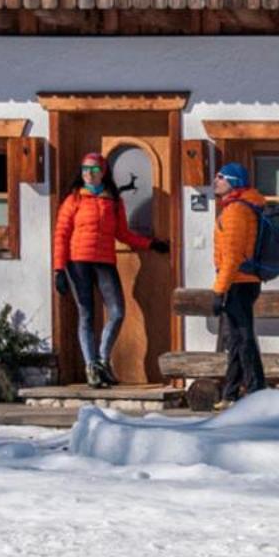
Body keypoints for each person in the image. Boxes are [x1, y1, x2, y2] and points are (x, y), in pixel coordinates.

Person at [53, 151, 169, 387]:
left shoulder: (113, 201)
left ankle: (103, 360)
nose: (89, 174)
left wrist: (150, 244)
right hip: (78, 262)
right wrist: (59, 269)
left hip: (105, 261)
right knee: (86, 314)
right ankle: (91, 367)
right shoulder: (74, 199)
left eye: (94, 170)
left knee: (117, 311)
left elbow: (122, 234)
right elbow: (61, 235)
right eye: (85, 169)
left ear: (103, 173)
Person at [211, 161, 268, 402]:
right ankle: (230, 393)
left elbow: (232, 257)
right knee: (235, 338)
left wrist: (218, 290)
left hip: (239, 281)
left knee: (243, 337)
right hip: (243, 280)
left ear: (232, 183)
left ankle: (257, 390)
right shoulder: (237, 207)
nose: (215, 181)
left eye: (220, 177)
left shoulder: (236, 212)